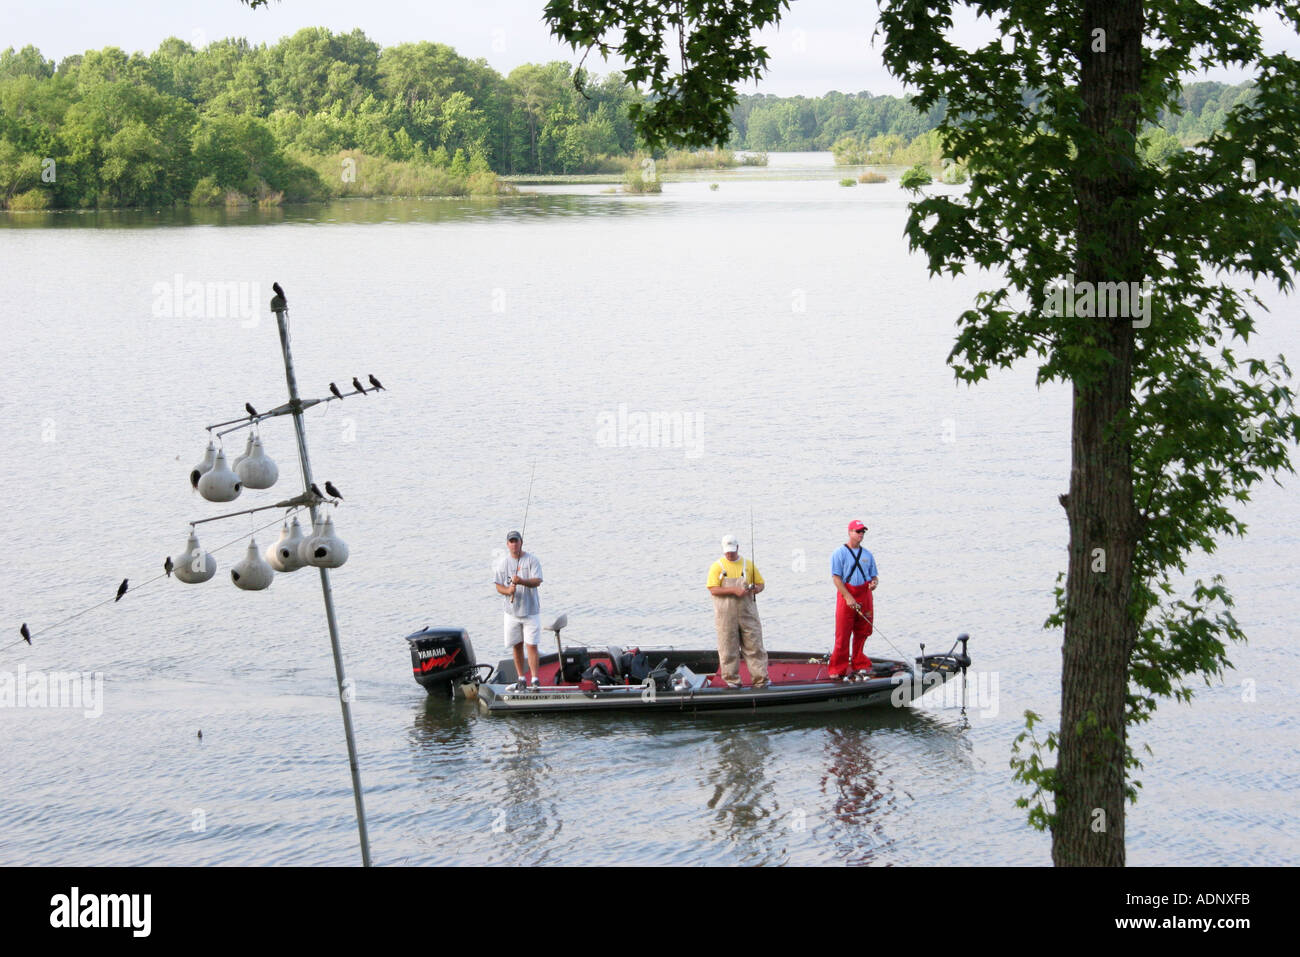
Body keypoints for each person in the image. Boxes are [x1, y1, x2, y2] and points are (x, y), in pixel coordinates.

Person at [706, 534, 769, 689]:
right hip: (725, 615)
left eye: (732, 551)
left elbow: (761, 584)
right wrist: (734, 590)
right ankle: (732, 681)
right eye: (727, 551)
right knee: (728, 648)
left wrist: (756, 588)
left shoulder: (748, 564)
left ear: (738, 548)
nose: (730, 554)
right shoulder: (717, 566)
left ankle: (760, 680)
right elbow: (713, 589)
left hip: (747, 612)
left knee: (754, 646)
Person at [493, 529, 543, 690]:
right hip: (511, 613)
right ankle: (521, 678)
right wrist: (508, 591)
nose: (514, 544)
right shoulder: (503, 563)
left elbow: (537, 581)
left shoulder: (532, 560)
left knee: (532, 645)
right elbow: (498, 586)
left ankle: (535, 679)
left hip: (531, 611)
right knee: (516, 644)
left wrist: (521, 581)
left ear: (521, 542)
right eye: (511, 541)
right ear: (508, 544)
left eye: (516, 541)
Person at [830, 520, 879, 680]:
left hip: (864, 594)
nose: (861, 535)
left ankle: (859, 662)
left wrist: (874, 584)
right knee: (843, 633)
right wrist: (848, 596)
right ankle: (838, 667)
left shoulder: (867, 555)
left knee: (863, 630)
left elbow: (874, 576)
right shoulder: (839, 553)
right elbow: (836, 578)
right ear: (849, 532)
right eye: (858, 532)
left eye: (862, 532)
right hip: (847, 594)